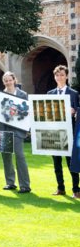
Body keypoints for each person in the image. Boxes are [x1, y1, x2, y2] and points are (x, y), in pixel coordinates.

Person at [48, 65, 80, 198]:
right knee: (56, 163)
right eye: (57, 75)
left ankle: (76, 190)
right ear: (54, 77)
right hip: (54, 133)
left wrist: (75, 112)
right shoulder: (50, 94)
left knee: (71, 163)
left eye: (62, 75)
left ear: (66, 76)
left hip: (69, 133)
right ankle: (60, 188)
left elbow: (79, 112)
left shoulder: (74, 93)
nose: (59, 77)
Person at [0, 71, 31, 193]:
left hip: (17, 130)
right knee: (6, 156)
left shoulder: (23, 94)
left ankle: (25, 185)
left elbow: (26, 112)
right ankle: (10, 182)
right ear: (4, 82)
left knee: (20, 156)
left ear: (14, 80)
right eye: (5, 80)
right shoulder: (1, 95)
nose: (8, 82)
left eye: (10, 80)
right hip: (4, 129)